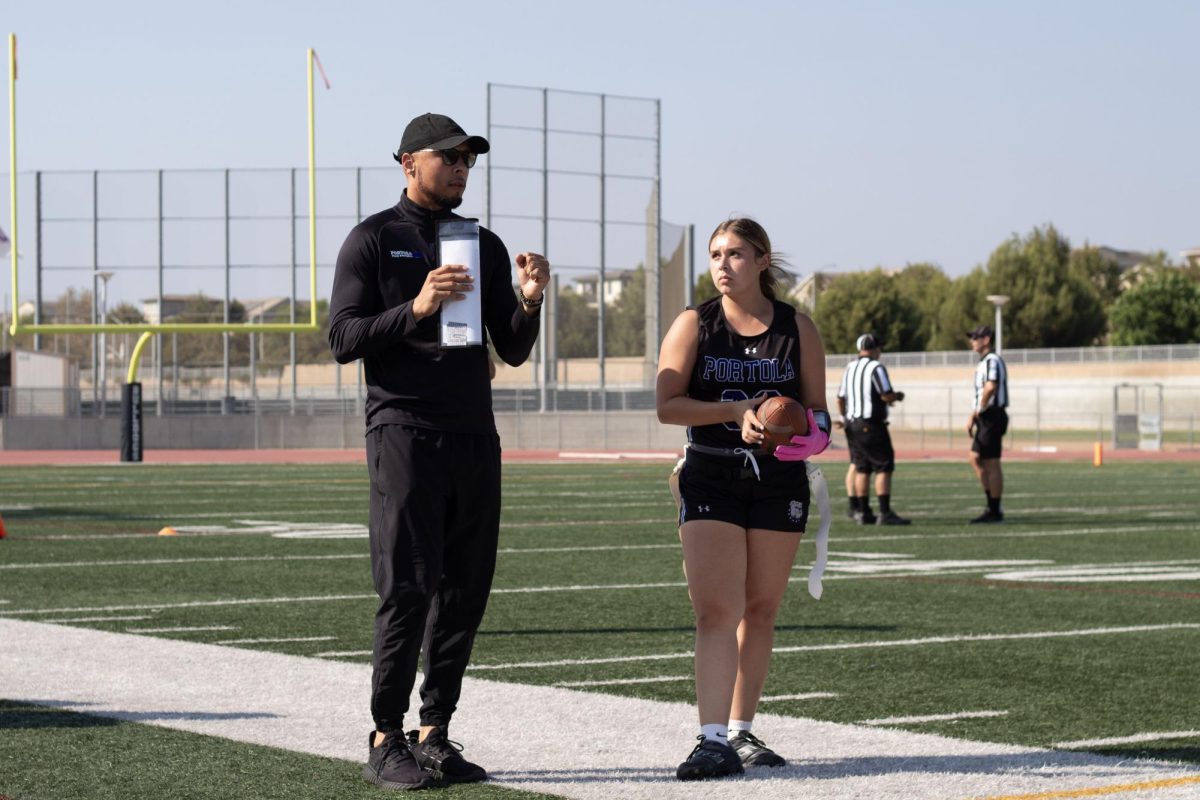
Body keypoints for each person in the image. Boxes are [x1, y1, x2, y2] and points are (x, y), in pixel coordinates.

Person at [328, 112, 550, 791]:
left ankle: (434, 734)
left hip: (473, 435)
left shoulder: (478, 244)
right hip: (403, 430)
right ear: (407, 163)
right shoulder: (373, 238)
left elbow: (508, 348)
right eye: (448, 157)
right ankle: (384, 735)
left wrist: (531, 302)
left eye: (468, 160)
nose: (459, 168)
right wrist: (418, 307)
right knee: (407, 586)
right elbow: (342, 337)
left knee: (463, 590)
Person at [656, 218, 832, 781]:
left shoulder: (797, 327)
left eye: (734, 254)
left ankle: (741, 731)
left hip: (778, 480)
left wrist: (804, 433)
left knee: (760, 610)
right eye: (715, 254)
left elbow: (820, 415)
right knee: (716, 610)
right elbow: (667, 405)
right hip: (711, 473)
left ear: (761, 260)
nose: (722, 264)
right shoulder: (695, 323)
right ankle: (709, 740)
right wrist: (733, 412)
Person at [836, 333, 909, 525]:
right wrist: (898, 396)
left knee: (862, 468)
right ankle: (884, 513)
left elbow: (840, 398)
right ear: (875, 349)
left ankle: (863, 512)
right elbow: (885, 395)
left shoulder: (850, 367)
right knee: (883, 466)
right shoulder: (876, 367)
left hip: (852, 424)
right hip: (871, 424)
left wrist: (844, 418)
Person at [966, 324, 1009, 523]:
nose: (972, 341)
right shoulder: (982, 362)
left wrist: (980, 408)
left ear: (986, 340)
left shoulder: (992, 360)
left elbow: (991, 386)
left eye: (976, 337)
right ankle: (992, 503)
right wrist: (975, 414)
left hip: (992, 415)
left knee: (991, 462)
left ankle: (994, 508)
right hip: (985, 416)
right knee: (975, 458)